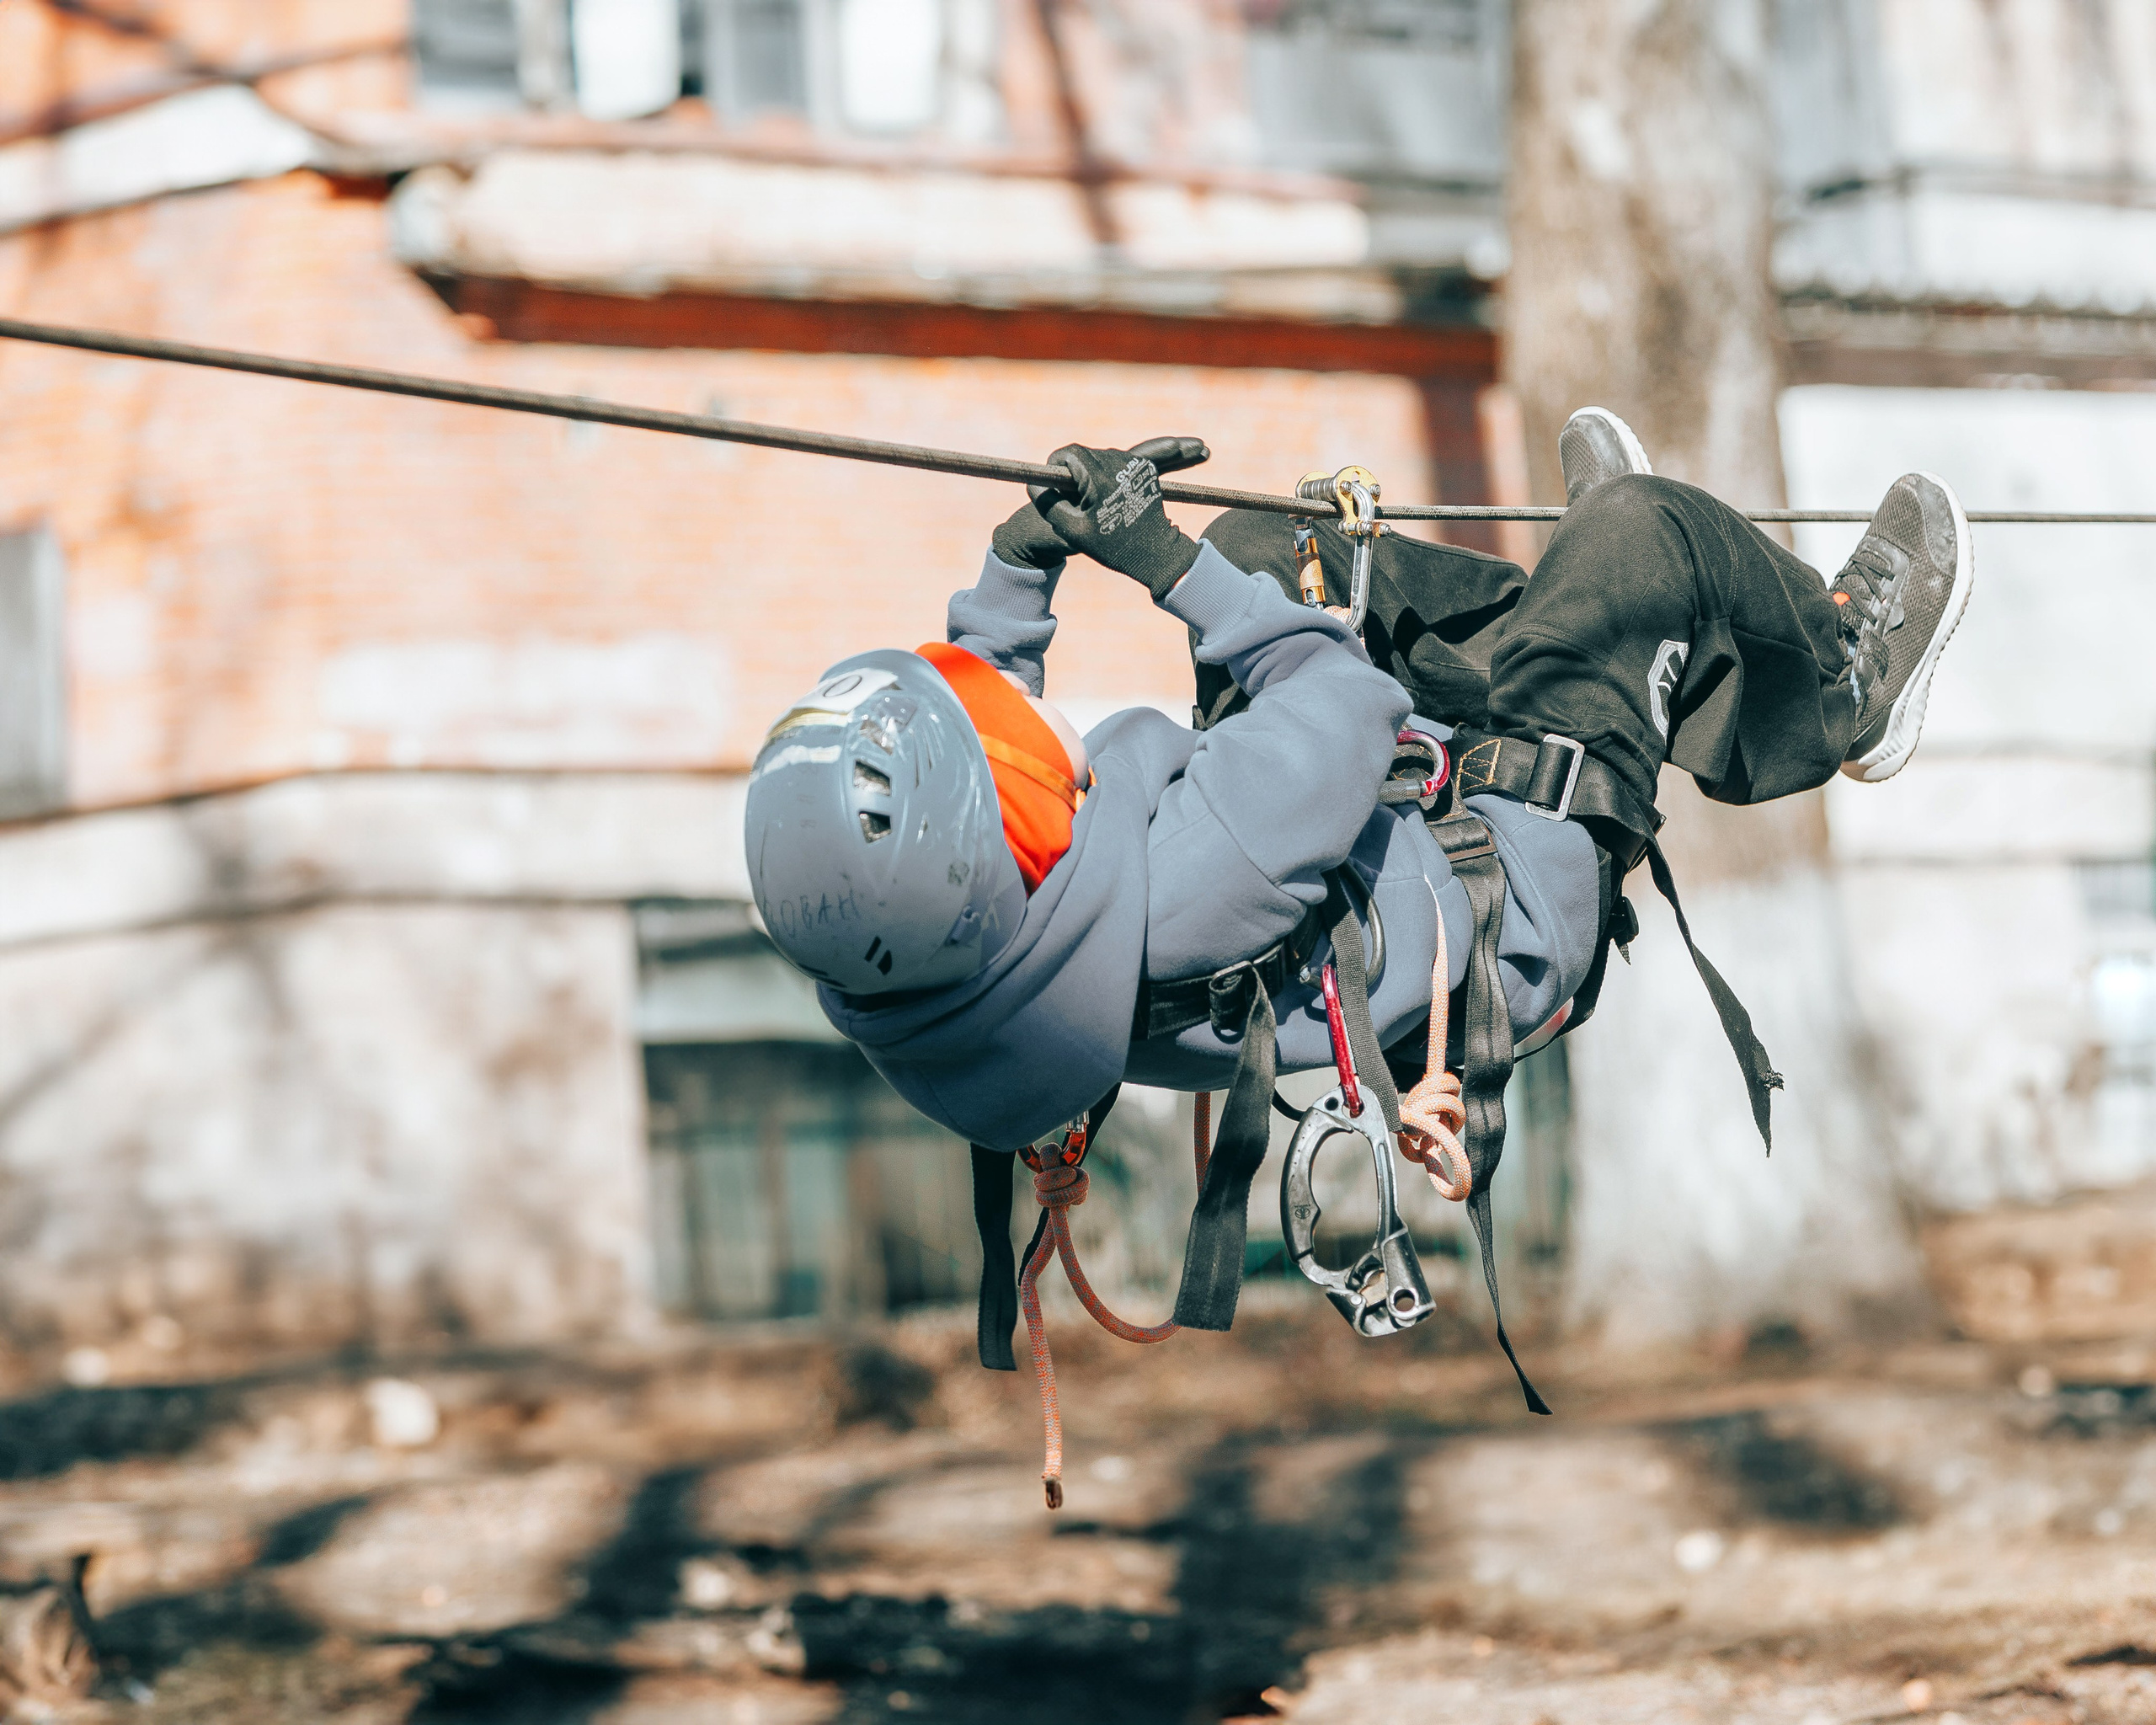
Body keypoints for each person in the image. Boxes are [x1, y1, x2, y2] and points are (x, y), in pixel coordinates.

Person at [743, 410, 1972, 1399]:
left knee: (1277, 554)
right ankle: (1838, 687)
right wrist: (1164, 565)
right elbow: (1339, 694)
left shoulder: (942, 958)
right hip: (1514, 896)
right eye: (999, 751)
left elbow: (989, 733)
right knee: (1655, 538)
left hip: (1352, 880)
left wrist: (1023, 563)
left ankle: (1609, 626)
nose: (1018, 722)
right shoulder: (1192, 874)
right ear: (994, 832)